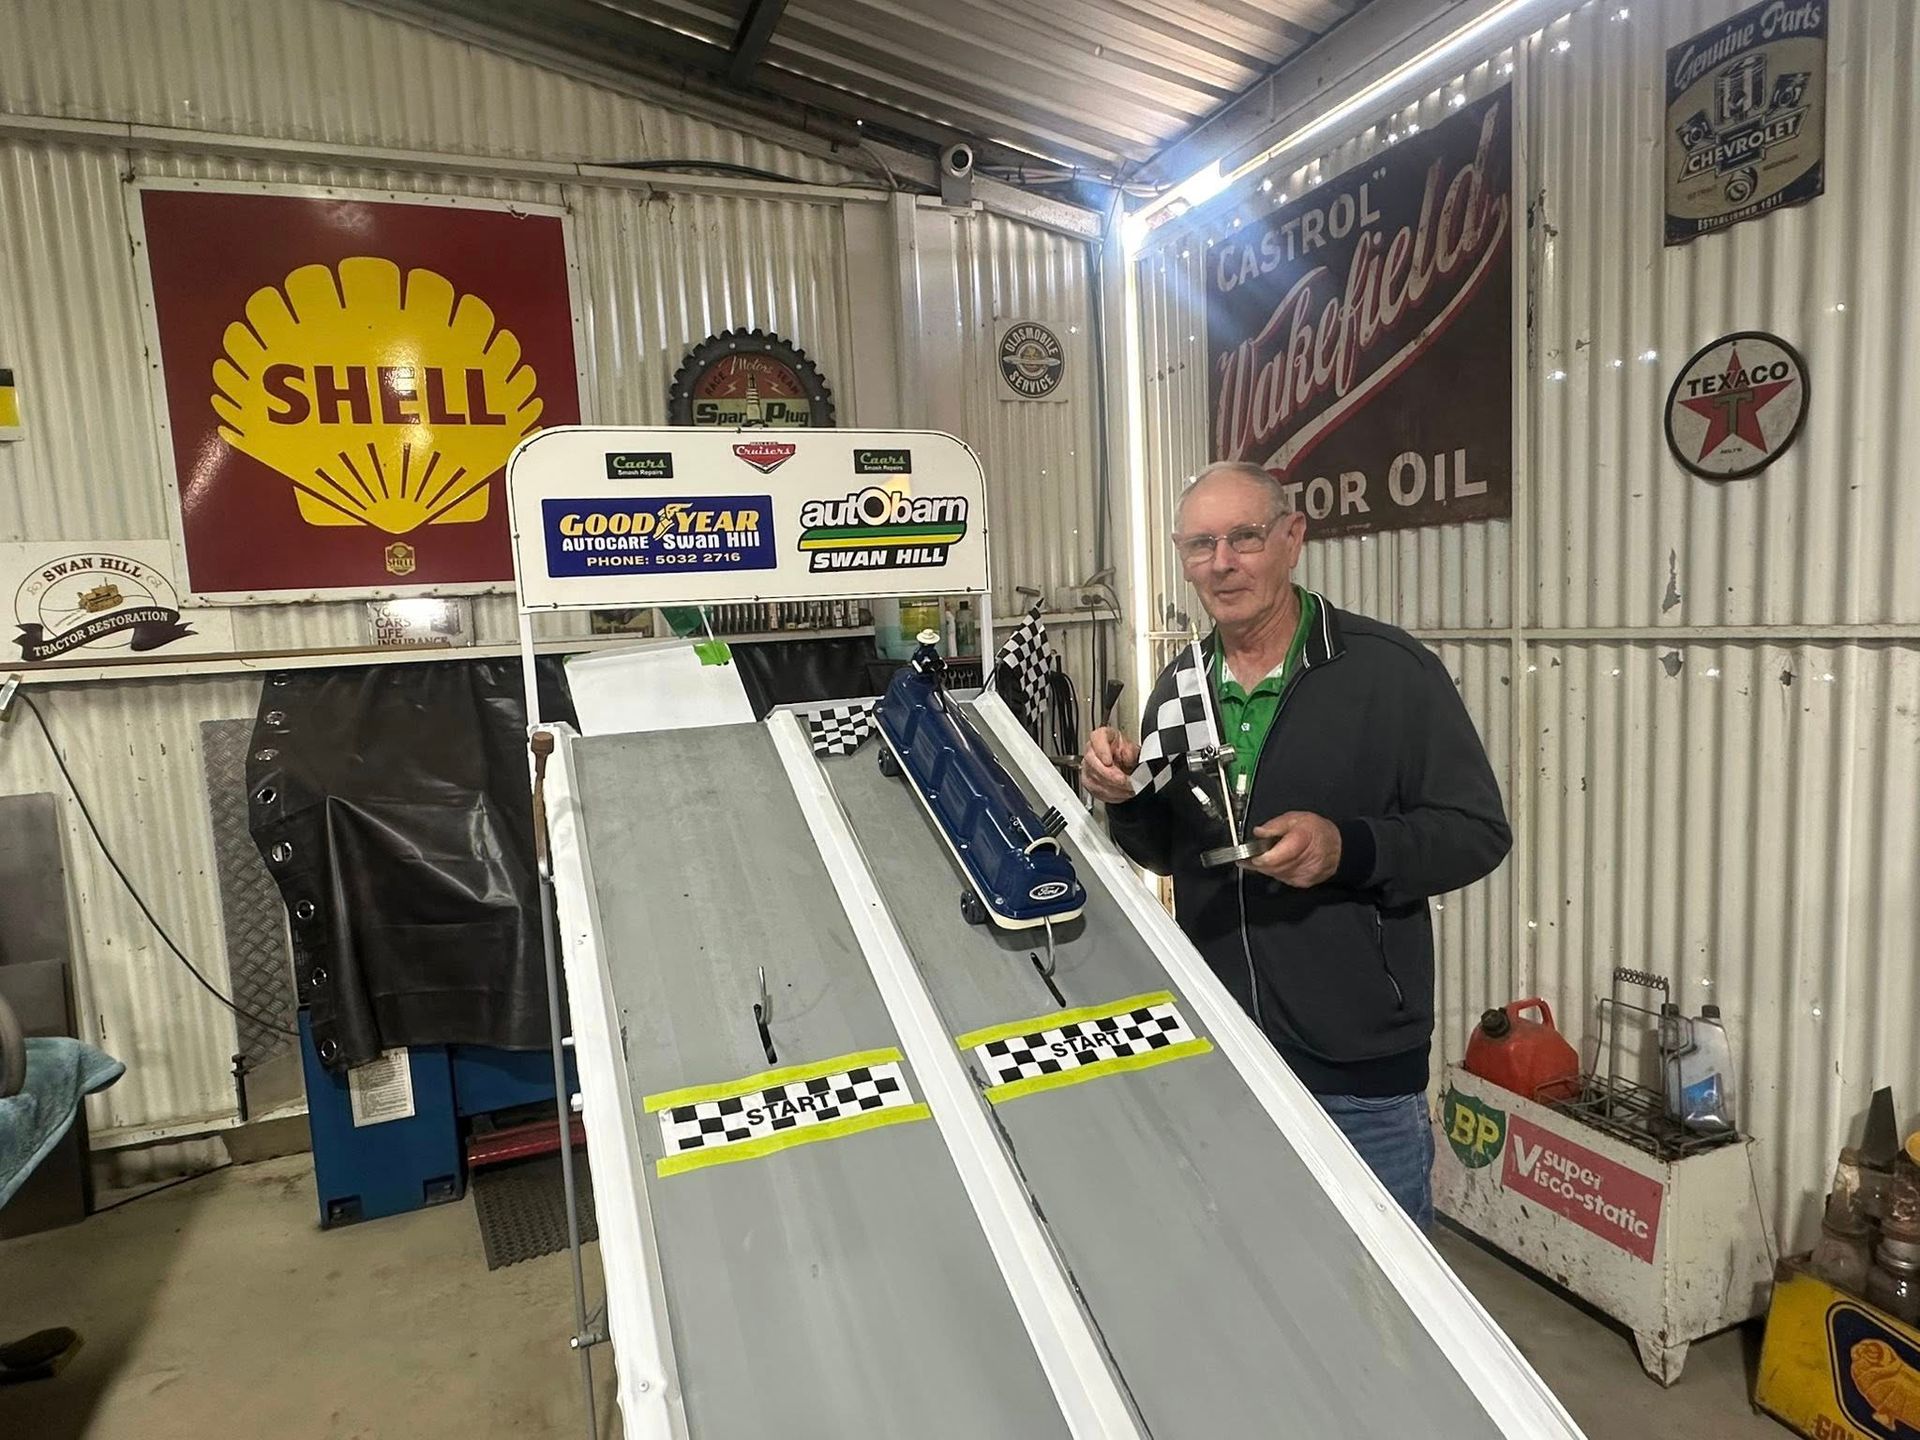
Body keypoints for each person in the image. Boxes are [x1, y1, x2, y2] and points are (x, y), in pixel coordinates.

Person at [1080, 461, 1510, 1229]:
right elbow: (1166, 852)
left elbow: (1476, 832)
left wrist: (1347, 848)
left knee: (1387, 1298)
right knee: (1259, 1270)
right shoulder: (1183, 688)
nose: (1222, 562)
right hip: (1224, 1049)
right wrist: (1126, 795)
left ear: (1292, 539)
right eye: (1199, 544)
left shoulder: (1388, 673)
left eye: (1244, 537)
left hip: (1357, 1069)